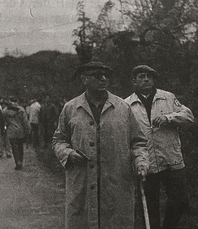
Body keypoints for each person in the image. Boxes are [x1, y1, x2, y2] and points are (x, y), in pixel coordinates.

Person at [53, 62, 149, 229]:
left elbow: (138, 141)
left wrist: (141, 162)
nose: (104, 79)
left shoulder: (123, 107)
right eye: (97, 75)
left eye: (106, 76)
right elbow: (59, 140)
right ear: (85, 79)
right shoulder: (71, 108)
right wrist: (68, 154)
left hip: (116, 182)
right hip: (82, 182)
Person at [125, 65, 194, 229]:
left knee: (180, 200)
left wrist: (169, 118)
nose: (146, 80)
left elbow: (188, 116)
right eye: (141, 76)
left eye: (149, 76)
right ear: (134, 81)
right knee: (149, 208)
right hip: (146, 163)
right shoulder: (126, 104)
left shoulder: (168, 98)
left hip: (172, 159)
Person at [2, 97, 30, 170]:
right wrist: (28, 130)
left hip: (11, 131)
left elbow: (2, 120)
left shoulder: (5, 111)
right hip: (20, 131)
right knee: (20, 147)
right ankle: (20, 160)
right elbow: (25, 122)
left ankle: (17, 162)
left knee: (14, 148)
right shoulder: (21, 110)